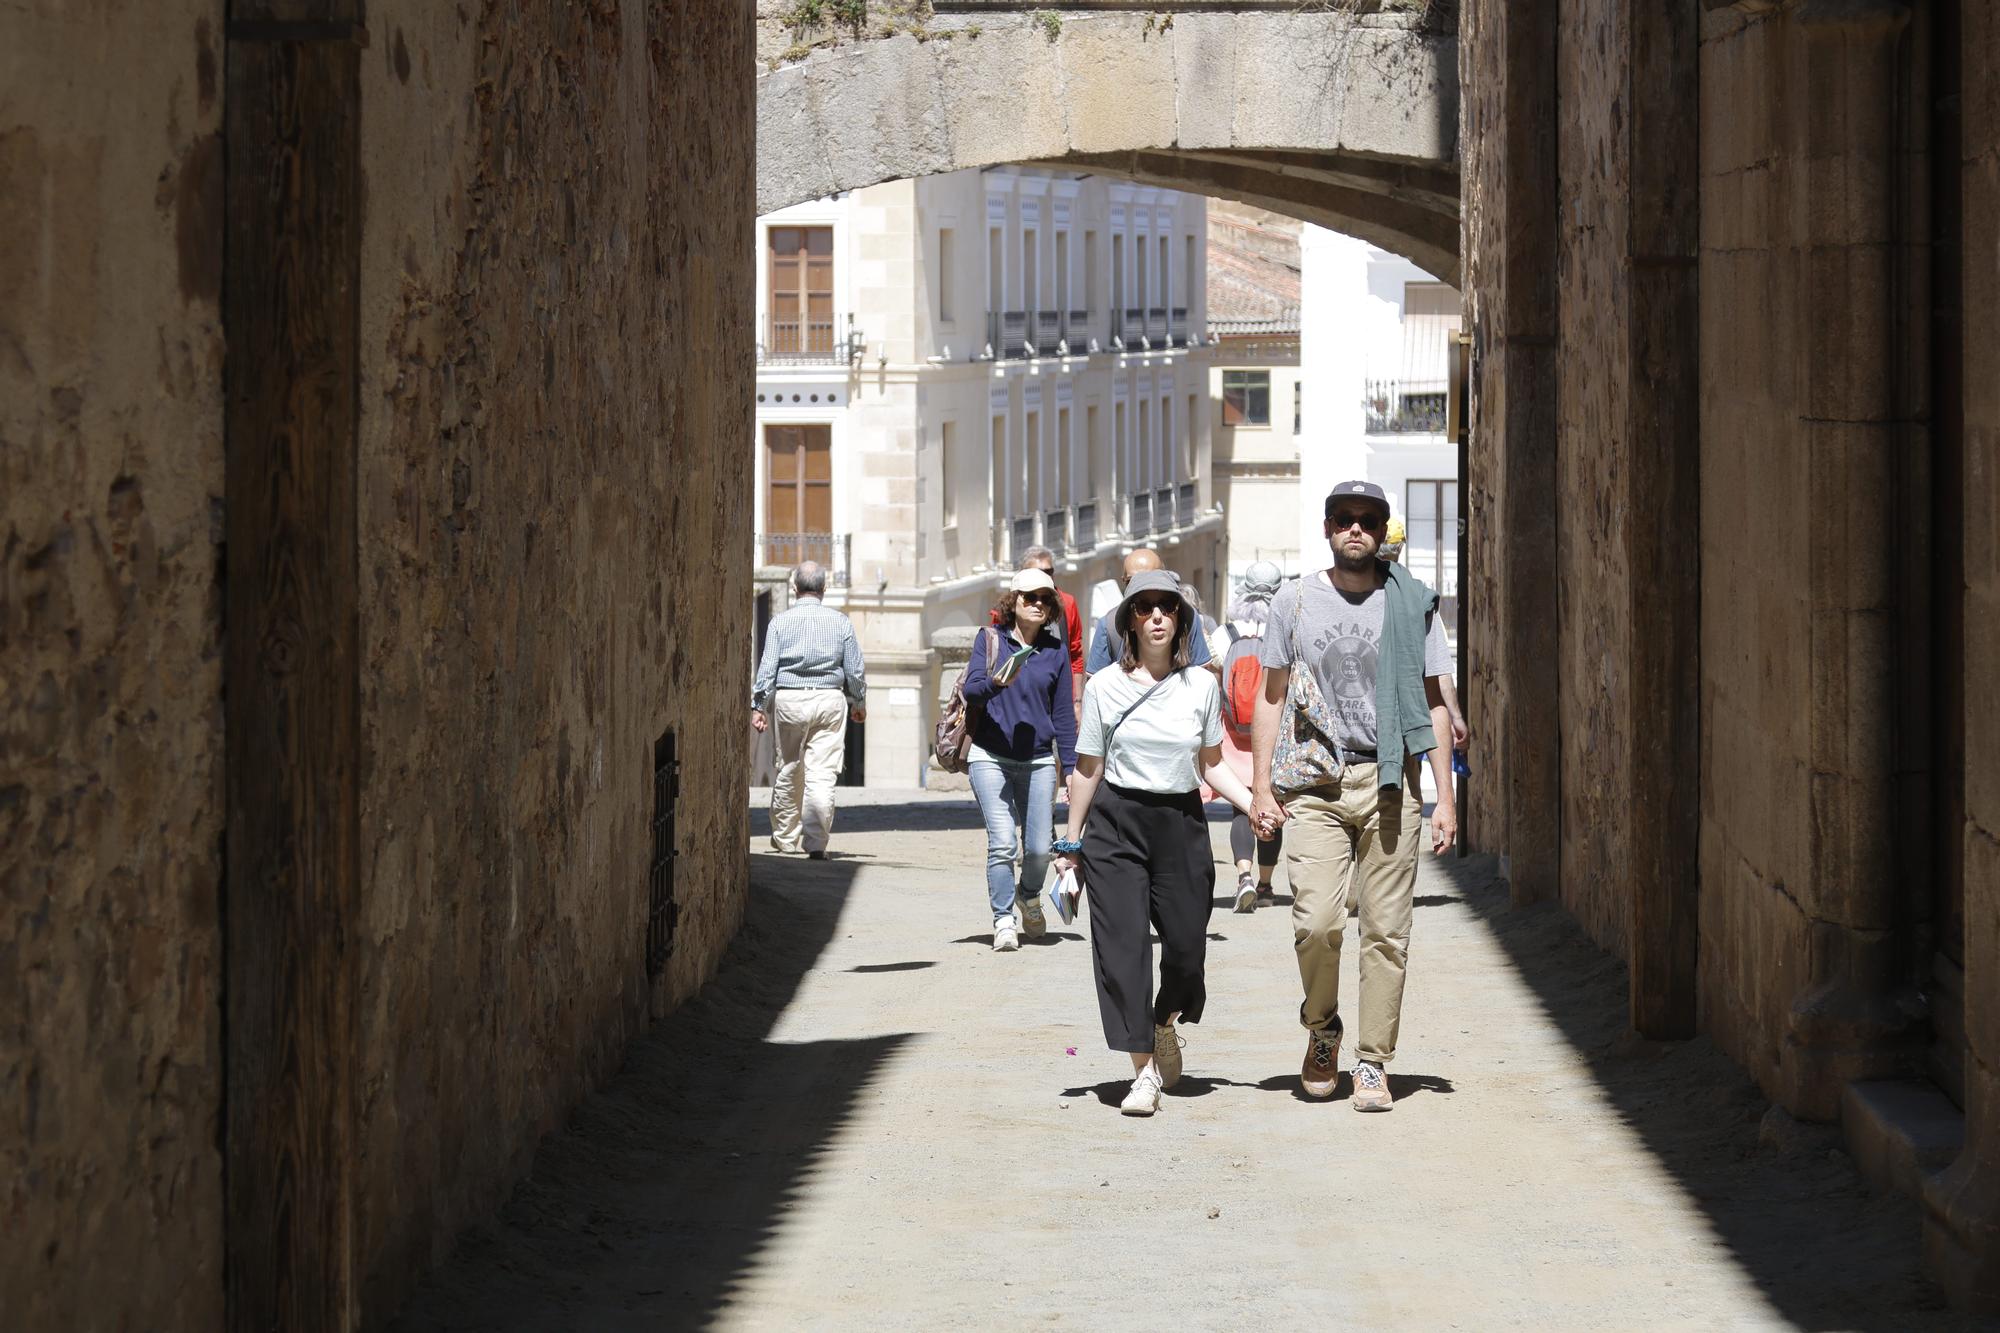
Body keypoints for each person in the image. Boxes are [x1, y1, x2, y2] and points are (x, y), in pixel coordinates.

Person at [1250, 480, 1457, 1112]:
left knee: (1387, 931)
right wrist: (1260, 784)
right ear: (1328, 528)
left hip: (1391, 780)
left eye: (1368, 519)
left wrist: (1446, 797)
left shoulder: (1413, 604)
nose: (1355, 529)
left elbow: (1434, 701)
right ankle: (1322, 1029)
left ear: (1383, 530)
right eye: (1344, 518)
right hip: (1315, 782)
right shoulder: (1295, 600)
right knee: (1315, 924)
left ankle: (1372, 1062)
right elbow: (1271, 693)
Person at [1055, 570, 1260, 1117]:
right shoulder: (1103, 687)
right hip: (1116, 824)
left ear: (1182, 619)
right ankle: (1141, 1071)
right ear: (1129, 621)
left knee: (1188, 947)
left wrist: (1253, 805)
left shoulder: (1201, 686)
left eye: (1166, 607)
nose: (1156, 617)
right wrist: (1069, 846)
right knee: (1122, 950)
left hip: (1180, 822)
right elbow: (1089, 767)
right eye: (1143, 608)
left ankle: (1166, 1019)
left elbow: (1211, 765)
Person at [964, 568, 1079, 952]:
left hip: (1039, 760)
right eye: (1029, 597)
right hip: (989, 756)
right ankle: (1003, 921)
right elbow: (971, 691)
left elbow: (1063, 714)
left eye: (1046, 599)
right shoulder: (990, 640)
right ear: (1012, 601)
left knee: (1038, 849)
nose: (1038, 604)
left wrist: (1074, 771)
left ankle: (1028, 894)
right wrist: (997, 681)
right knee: (1002, 843)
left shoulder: (1055, 651)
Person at [751, 561, 867, 859]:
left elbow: (767, 669)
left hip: (790, 700)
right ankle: (815, 843)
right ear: (824, 589)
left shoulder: (780, 622)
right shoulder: (840, 623)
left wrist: (759, 706)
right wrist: (858, 701)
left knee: (789, 766)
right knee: (822, 773)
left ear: (794, 588)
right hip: (829, 700)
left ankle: (785, 838)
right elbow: (853, 669)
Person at [1207, 560, 1286, 912]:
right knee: (1270, 804)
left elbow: (1213, 677)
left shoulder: (1226, 634)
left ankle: (1244, 877)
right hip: (1274, 732)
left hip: (1233, 734)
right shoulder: (1284, 627)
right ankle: (1267, 885)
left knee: (1242, 807)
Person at [1084, 548, 1214, 675]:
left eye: (1150, 579)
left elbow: (1203, 679)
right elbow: (1096, 688)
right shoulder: (1108, 625)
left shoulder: (1187, 618)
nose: (1141, 586)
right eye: (1132, 581)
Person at [993, 545, 1084, 710]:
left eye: (1049, 572)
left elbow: (1075, 653)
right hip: (1017, 695)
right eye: (1037, 572)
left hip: (1057, 693)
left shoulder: (1068, 603)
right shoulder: (1007, 608)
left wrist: (1077, 701)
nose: (1044, 577)